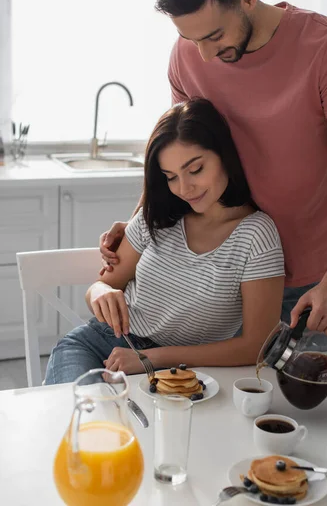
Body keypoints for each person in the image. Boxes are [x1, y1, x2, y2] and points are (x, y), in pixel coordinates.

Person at [100, 0, 327, 339]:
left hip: (309, 284)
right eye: (191, 38)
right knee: (203, 401)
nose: (203, 56)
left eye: (215, 36)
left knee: (300, 399)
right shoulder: (187, 56)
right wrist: (143, 219)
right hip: (216, 285)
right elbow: (180, 149)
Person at [44, 99, 284, 384]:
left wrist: (151, 359)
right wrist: (99, 293)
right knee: (92, 421)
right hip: (100, 345)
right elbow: (103, 285)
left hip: (186, 369)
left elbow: (257, 345)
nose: (184, 188)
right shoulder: (157, 217)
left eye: (195, 170)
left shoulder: (257, 234)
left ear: (224, 155)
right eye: (171, 177)